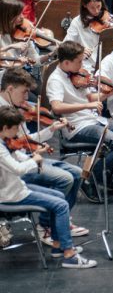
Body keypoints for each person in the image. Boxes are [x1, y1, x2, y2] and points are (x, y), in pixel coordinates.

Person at [0, 106, 97, 269]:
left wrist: (34, 155)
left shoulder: (5, 142)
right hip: (10, 195)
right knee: (61, 205)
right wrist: (34, 160)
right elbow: (17, 169)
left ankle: (58, 245)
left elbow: (19, 156)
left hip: (16, 188)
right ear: (4, 128)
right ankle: (69, 254)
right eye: (15, 128)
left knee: (59, 197)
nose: (17, 132)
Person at [47, 41, 113, 202]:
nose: (82, 65)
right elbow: (56, 107)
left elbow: (91, 97)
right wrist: (87, 105)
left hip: (94, 119)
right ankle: (89, 179)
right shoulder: (56, 80)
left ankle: (105, 173)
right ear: (66, 63)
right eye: (79, 61)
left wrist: (110, 93)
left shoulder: (77, 74)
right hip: (78, 127)